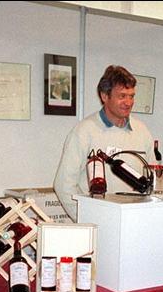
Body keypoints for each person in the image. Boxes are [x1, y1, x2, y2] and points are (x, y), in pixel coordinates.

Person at [54, 65, 155, 221]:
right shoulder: (84, 131)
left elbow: (153, 180)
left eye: (132, 96)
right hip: (100, 224)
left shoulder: (142, 132)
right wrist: (88, 220)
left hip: (135, 222)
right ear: (104, 96)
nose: (128, 102)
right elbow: (64, 185)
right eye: (122, 96)